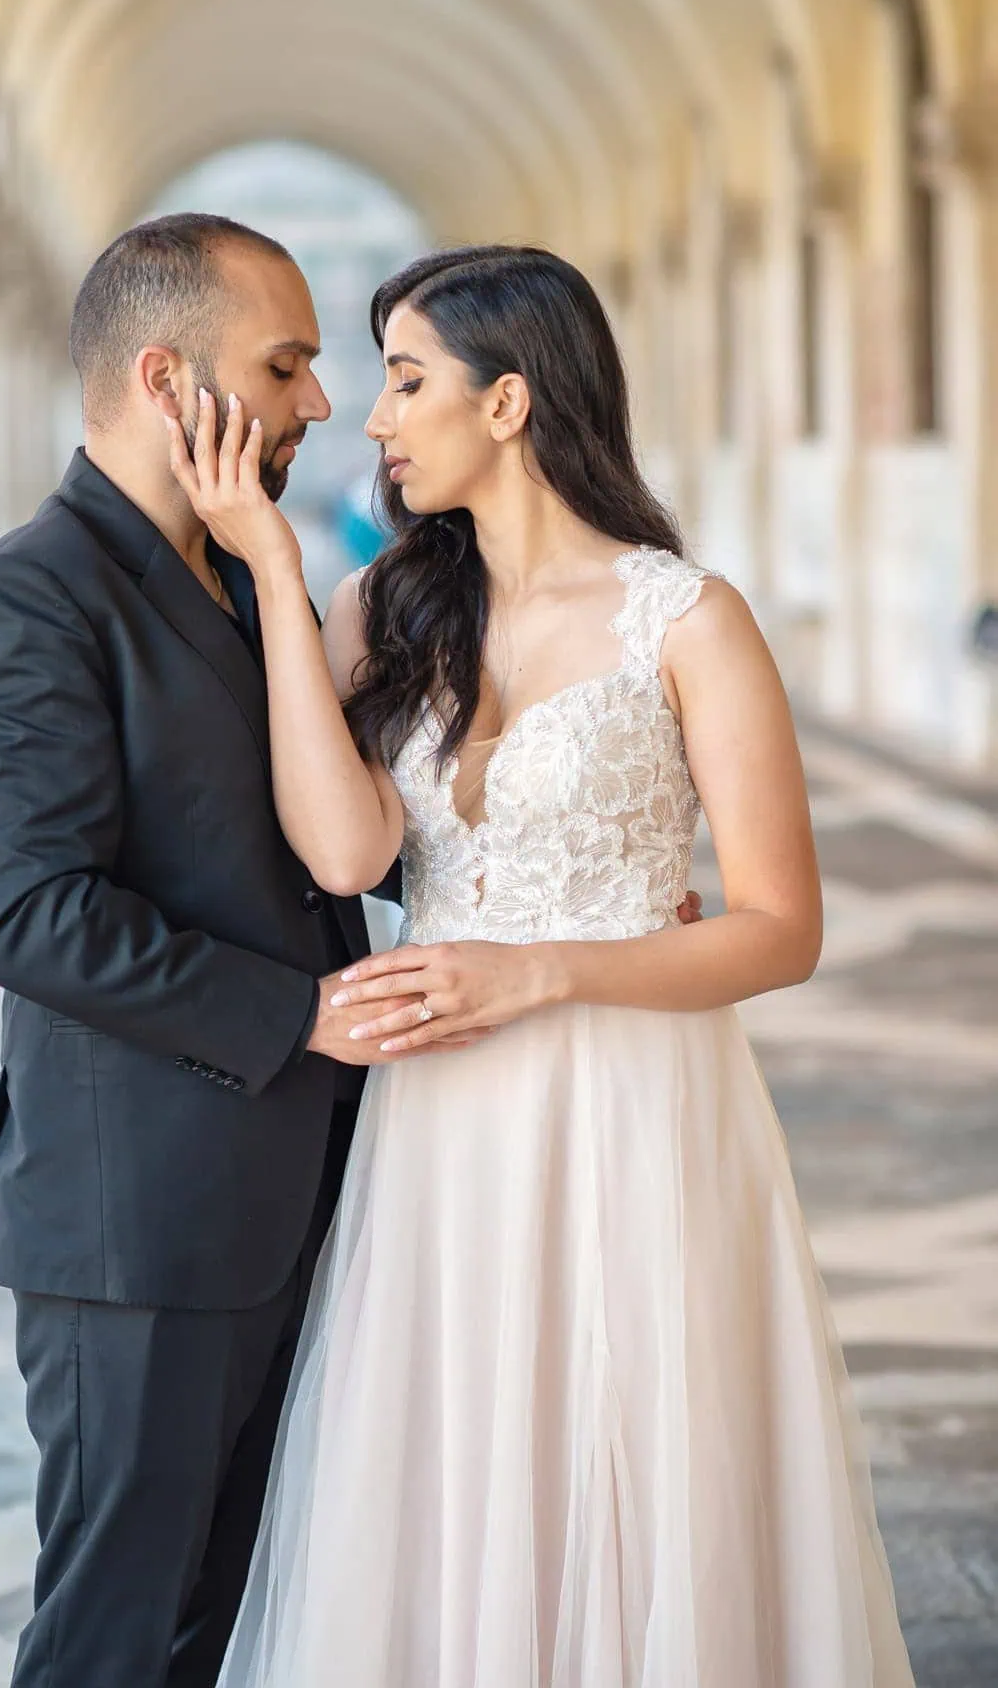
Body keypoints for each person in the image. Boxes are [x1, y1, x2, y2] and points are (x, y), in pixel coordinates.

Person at [164, 245, 917, 1687]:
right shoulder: (385, 607)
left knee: (635, 1457)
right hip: (442, 1124)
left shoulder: (686, 620)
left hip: (633, 1099)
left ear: (507, 401)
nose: (370, 420)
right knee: (452, 1472)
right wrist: (270, 563)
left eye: (402, 380)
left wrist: (542, 974)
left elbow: (780, 925)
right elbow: (340, 852)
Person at [0, 215, 500, 1688]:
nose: (321, 403)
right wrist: (298, 1015)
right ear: (170, 380)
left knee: (221, 1624)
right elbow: (28, 914)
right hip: (145, 1226)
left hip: (298, 1193)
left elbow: (331, 830)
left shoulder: (249, 577)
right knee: (113, 1635)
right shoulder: (21, 602)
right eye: (288, 364)